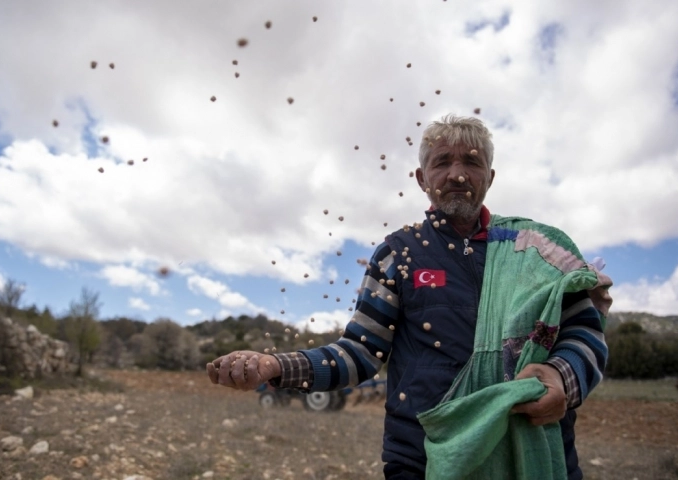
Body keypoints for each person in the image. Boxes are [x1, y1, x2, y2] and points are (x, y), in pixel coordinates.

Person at [207, 115, 612, 479]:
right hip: (423, 457)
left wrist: (563, 376)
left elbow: (583, 330)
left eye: (471, 163)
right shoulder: (398, 254)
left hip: (532, 448)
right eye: (442, 162)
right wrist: (274, 364)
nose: (457, 174)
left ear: (490, 176)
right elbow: (358, 353)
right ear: (421, 178)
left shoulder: (536, 250)